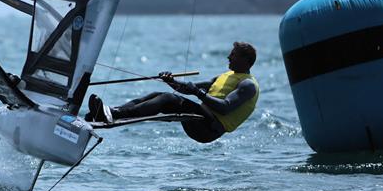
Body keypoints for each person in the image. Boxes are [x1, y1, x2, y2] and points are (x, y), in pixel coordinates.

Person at [86, 42, 259, 143]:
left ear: (246, 60)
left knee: (167, 99)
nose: (228, 57)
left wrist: (198, 93)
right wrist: (171, 81)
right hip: (199, 118)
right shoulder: (225, 76)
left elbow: (225, 108)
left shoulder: (248, 85)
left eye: (233, 55)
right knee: (157, 94)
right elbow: (187, 88)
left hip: (209, 128)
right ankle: (110, 112)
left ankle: (114, 114)